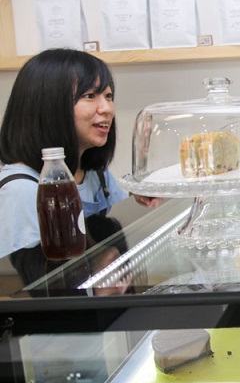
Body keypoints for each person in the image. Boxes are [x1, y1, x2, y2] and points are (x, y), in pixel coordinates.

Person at [0, 48, 158, 260]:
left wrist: (140, 197)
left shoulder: (96, 175)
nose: (107, 109)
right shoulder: (21, 190)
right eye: (90, 96)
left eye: (108, 96)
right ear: (49, 105)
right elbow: (36, 281)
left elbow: (117, 239)